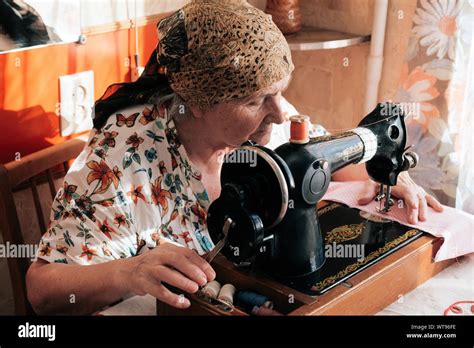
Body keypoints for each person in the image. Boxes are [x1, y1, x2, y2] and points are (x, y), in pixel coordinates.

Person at [26, 0, 443, 315]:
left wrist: (385, 172)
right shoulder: (122, 158)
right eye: (258, 100)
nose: (281, 113)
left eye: (280, 91)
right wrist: (127, 272)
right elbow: (41, 290)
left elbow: (320, 155)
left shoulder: (265, 121)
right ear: (200, 103)